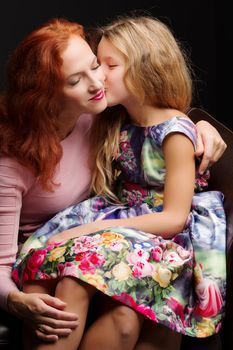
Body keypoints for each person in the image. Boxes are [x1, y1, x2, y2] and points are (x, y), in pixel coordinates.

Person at [0, 17, 226, 350]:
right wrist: (13, 300)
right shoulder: (15, 161)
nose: (98, 81)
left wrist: (201, 127)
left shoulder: (100, 114)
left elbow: (161, 122)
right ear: (47, 94)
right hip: (63, 238)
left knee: (128, 317)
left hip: (113, 232)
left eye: (100, 66)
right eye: (77, 79)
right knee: (60, 298)